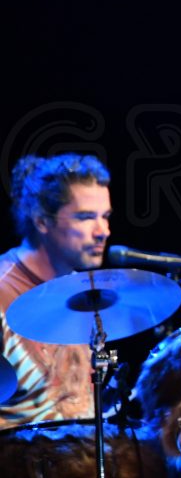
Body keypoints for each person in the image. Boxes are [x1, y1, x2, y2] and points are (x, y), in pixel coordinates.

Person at [0, 153, 112, 430]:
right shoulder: (3, 291)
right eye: (85, 217)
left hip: (84, 452)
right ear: (41, 221)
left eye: (106, 217)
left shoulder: (83, 292)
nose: (103, 231)